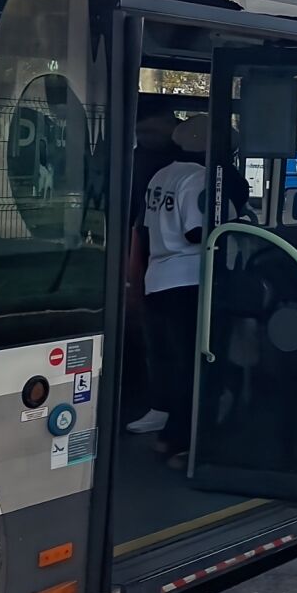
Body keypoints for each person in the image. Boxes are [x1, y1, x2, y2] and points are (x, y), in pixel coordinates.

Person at [125, 114, 210, 466]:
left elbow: (146, 228)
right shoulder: (198, 177)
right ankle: (178, 436)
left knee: (165, 357)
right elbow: (195, 231)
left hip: (157, 277)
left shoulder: (161, 176)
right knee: (190, 363)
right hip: (187, 279)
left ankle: (162, 418)